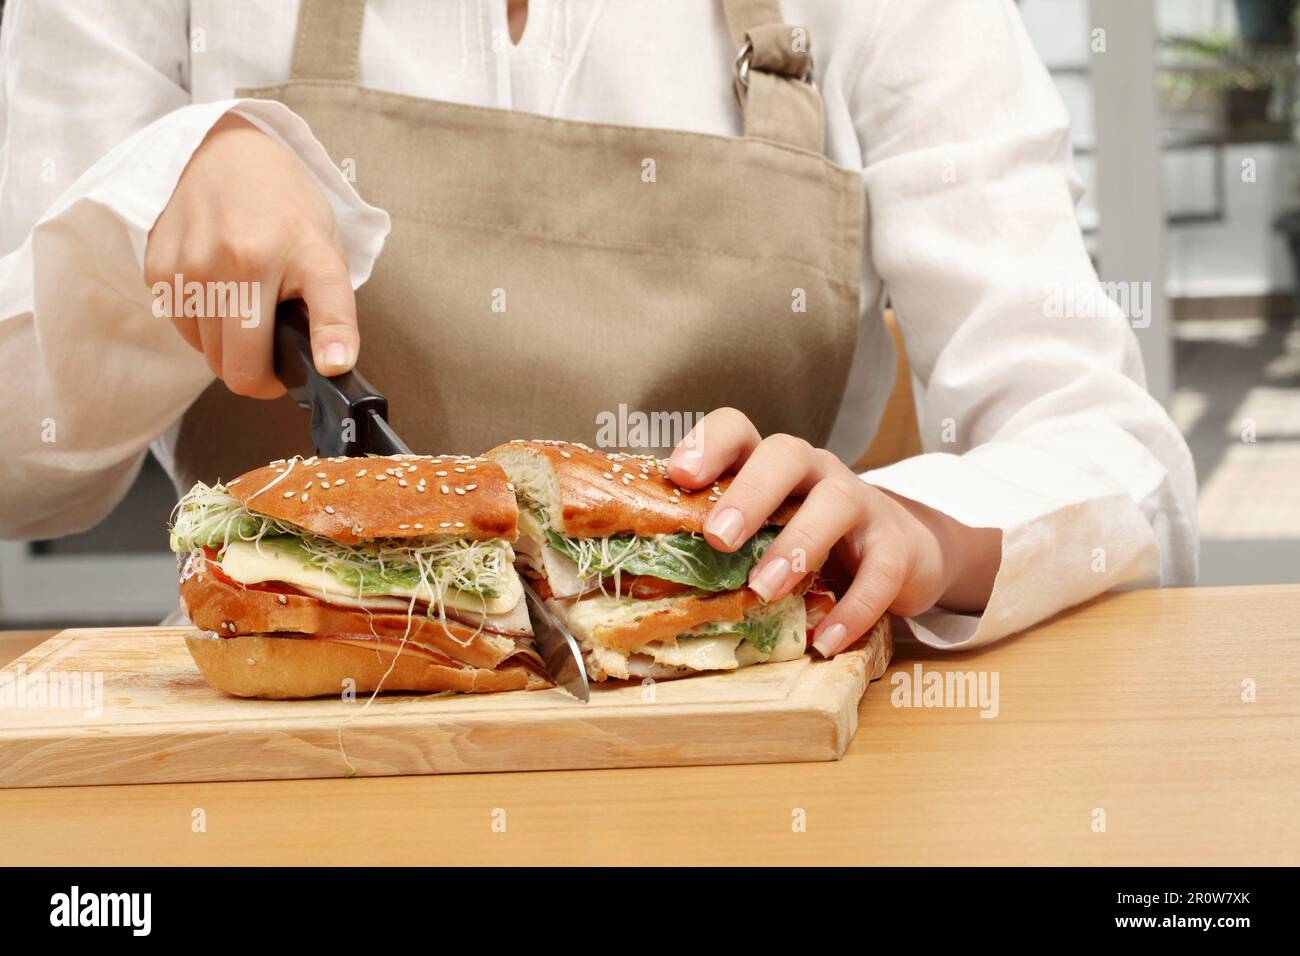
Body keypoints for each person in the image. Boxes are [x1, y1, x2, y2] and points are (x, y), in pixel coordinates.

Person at [0, 0, 1197, 656]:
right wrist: (154, 199)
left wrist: (922, 528)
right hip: (279, 748)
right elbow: (22, 475)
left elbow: (1114, 456)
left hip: (747, 757)